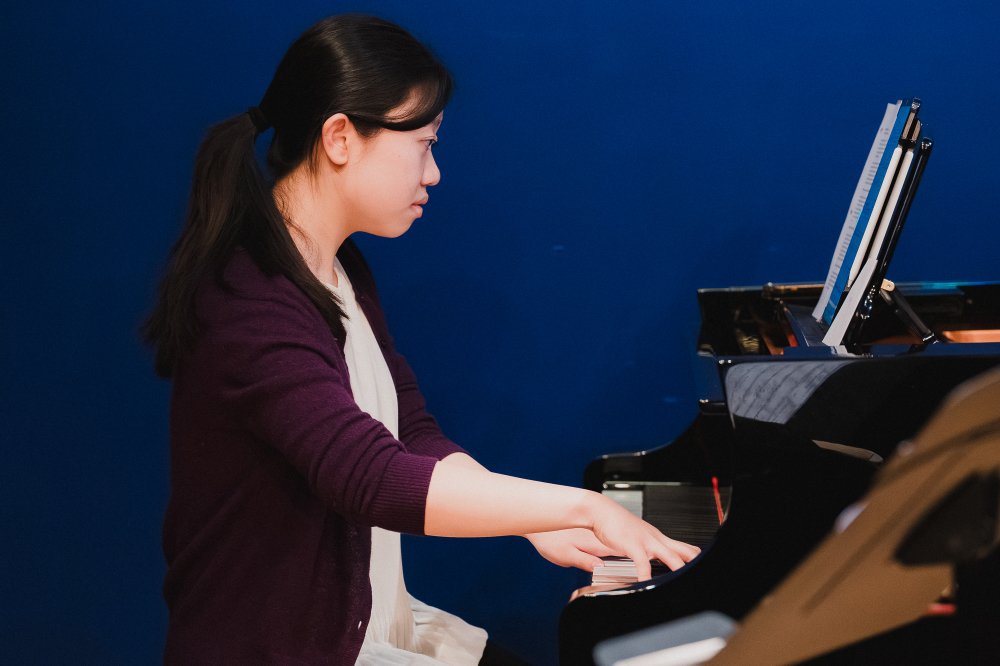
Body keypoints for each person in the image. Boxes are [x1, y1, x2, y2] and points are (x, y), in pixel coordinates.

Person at [144, 14, 700, 665]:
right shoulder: (250, 297)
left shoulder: (340, 267)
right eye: (424, 143)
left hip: (351, 623)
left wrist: (539, 520)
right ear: (341, 138)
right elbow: (373, 479)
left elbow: (411, 436)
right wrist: (584, 507)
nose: (433, 174)